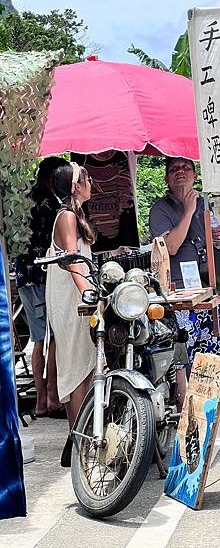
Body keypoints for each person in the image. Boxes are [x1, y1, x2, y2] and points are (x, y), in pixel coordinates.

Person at [149, 157, 220, 407]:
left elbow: (218, 235)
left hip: (208, 286)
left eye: (186, 168)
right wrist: (188, 211)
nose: (180, 172)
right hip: (179, 290)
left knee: (213, 346)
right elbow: (170, 247)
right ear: (166, 179)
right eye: (174, 169)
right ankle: (188, 404)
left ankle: (212, 402)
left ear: (195, 175)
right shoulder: (160, 210)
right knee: (184, 349)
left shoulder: (204, 203)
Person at [46, 162, 96, 465]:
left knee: (83, 366)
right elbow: (72, 261)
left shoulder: (74, 214)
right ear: (76, 186)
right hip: (71, 301)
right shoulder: (66, 216)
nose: (91, 182)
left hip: (74, 297)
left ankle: (80, 437)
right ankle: (81, 442)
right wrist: (89, 294)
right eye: (86, 178)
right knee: (77, 370)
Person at [14, 156, 67, 417]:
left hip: (24, 276)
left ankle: (42, 400)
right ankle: (50, 397)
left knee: (38, 339)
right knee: (52, 337)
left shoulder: (24, 198)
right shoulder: (49, 204)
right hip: (40, 278)